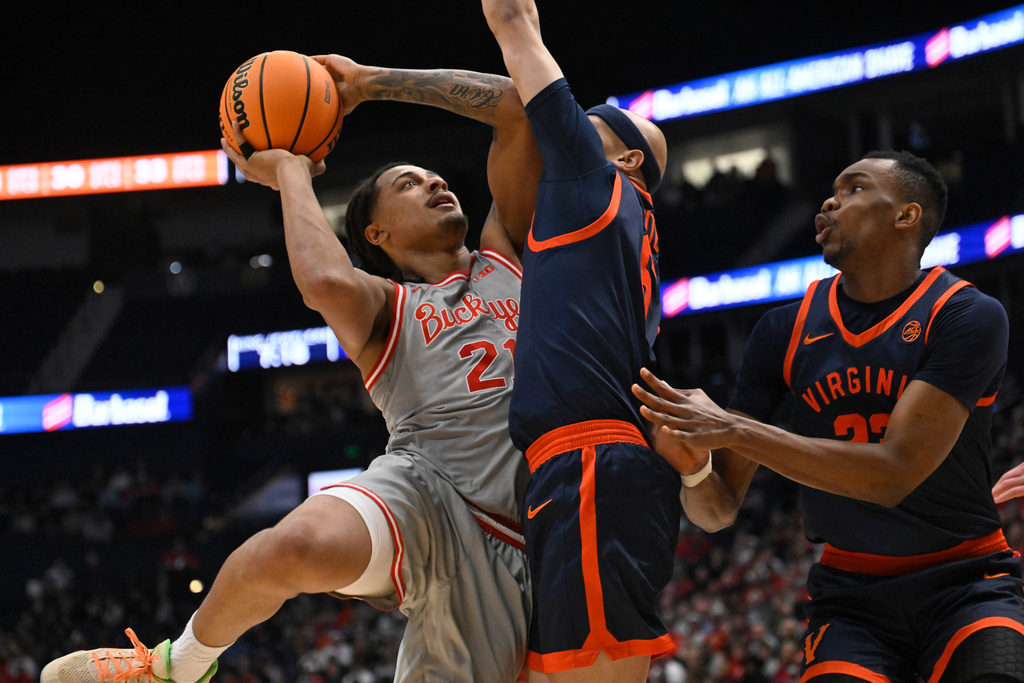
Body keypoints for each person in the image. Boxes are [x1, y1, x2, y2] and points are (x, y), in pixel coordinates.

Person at [42, 57, 542, 683]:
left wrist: (369, 83)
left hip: (530, 529)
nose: (435, 181)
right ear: (376, 232)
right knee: (290, 546)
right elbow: (325, 279)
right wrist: (289, 170)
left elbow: (518, 111)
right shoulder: (382, 305)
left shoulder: (508, 252)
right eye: (409, 182)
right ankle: (174, 667)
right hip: (426, 493)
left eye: (435, 175)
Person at [633, 150, 1024, 683]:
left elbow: (894, 473)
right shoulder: (782, 331)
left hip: (965, 578)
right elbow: (716, 511)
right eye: (833, 190)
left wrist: (734, 428)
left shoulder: (965, 315)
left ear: (906, 215)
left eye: (855, 188)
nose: (830, 200)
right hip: (851, 596)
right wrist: (695, 470)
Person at [481, 2, 677, 681]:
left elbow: (510, 21)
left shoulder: (596, 188)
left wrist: (362, 80)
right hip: (589, 466)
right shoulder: (613, 231)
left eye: (577, 126)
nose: (555, 131)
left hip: (590, 464)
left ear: (625, 158)